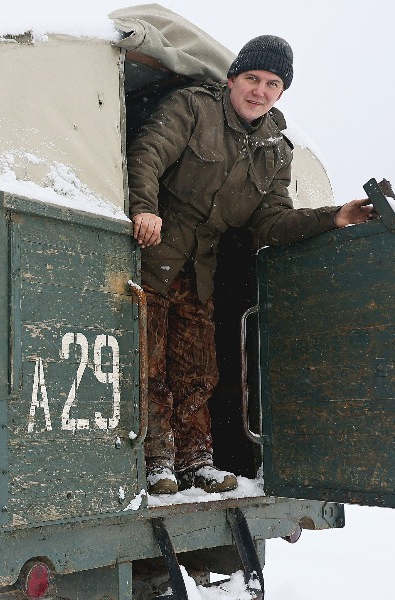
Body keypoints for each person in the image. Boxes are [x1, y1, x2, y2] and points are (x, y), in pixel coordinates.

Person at [127, 35, 377, 495]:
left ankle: (196, 461)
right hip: (153, 257)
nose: (259, 91)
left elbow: (271, 222)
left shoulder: (276, 151)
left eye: (272, 83)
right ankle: (157, 461)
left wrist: (334, 217)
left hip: (201, 275)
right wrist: (145, 208)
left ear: (282, 92)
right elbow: (147, 154)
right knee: (150, 367)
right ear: (232, 79)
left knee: (198, 372)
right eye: (252, 78)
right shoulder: (192, 108)